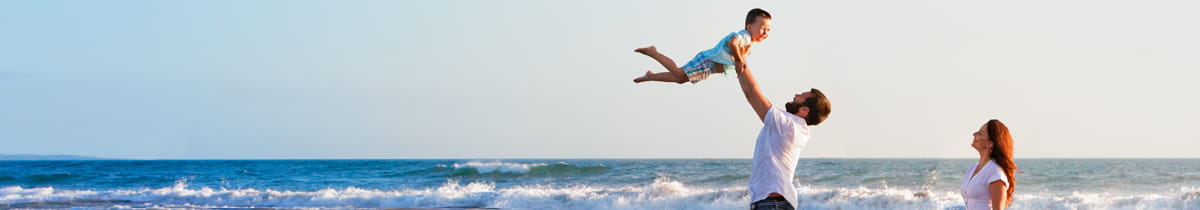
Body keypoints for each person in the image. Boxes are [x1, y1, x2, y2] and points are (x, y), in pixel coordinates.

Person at [734, 65, 831, 210]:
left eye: (801, 96)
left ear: (804, 110)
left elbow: (752, 94)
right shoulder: (794, 127)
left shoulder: (789, 126)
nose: (796, 95)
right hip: (773, 202)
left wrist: (739, 59)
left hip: (772, 203)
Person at [632, 8, 771, 84]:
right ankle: (654, 52)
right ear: (750, 26)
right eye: (762, 28)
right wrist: (740, 60)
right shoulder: (745, 36)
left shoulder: (748, 42)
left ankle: (650, 76)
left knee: (680, 78)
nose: (765, 33)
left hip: (709, 68)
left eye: (768, 30)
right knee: (680, 75)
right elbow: (732, 42)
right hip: (707, 61)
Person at [960, 119, 1018, 210]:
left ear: (989, 144)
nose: (974, 134)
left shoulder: (995, 172)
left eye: (980, 133)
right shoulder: (972, 169)